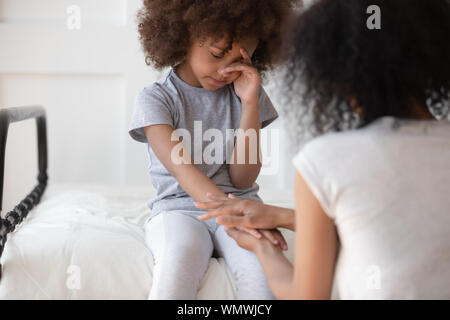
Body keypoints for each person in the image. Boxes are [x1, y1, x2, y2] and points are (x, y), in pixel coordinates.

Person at [196, 0, 450, 299]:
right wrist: (280, 216)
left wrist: (263, 248)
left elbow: (307, 295)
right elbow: (394, 226)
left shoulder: (326, 159)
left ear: (336, 76)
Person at [128, 0, 300, 299]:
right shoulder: (156, 100)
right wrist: (233, 211)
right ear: (183, 36)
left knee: (263, 283)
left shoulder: (247, 93)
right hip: (178, 210)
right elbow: (184, 171)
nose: (225, 70)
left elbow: (243, 179)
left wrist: (249, 104)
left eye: (240, 61)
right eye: (218, 54)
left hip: (240, 205)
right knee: (176, 267)